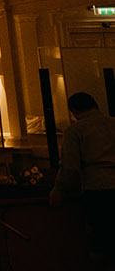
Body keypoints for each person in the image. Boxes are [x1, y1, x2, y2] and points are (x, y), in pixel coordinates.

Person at [49, 92, 115, 258]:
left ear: (74, 111)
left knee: (102, 241)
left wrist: (59, 190)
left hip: (97, 189)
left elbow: (70, 166)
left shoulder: (75, 131)